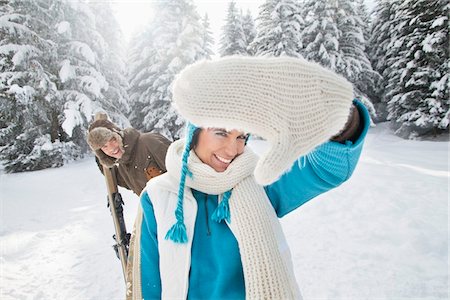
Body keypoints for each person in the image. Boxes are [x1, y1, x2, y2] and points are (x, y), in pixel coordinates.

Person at [126, 56, 371, 299]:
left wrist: (339, 112)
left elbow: (327, 170)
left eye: (241, 137)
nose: (232, 150)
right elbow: (148, 285)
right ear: (194, 132)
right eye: (221, 133)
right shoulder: (158, 196)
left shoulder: (258, 182)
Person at [87, 114, 171, 196]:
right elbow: (120, 179)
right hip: (160, 208)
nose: (111, 148)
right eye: (104, 146)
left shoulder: (148, 142)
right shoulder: (124, 164)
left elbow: (180, 169)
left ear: (119, 135)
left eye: (113, 140)